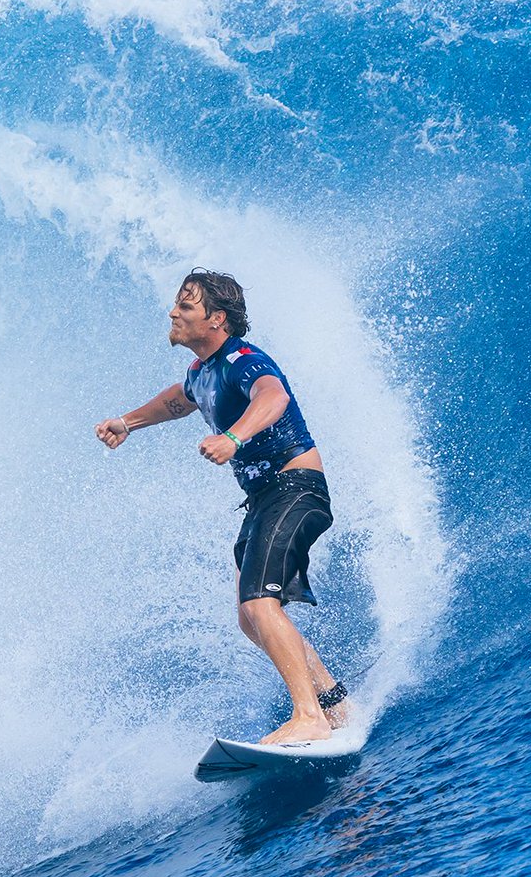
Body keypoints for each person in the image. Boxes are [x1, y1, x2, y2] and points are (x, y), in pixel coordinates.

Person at [95, 269, 348, 744]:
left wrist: (234, 436)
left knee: (260, 603)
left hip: (296, 487)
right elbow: (178, 400)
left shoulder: (243, 361)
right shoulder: (201, 372)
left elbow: (274, 396)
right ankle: (335, 705)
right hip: (264, 499)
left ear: (217, 319)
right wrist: (127, 423)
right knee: (250, 618)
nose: (173, 312)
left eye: (186, 306)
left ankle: (309, 717)